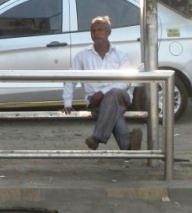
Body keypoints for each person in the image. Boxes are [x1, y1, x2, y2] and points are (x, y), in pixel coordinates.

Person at [61, 15, 142, 151]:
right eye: (93, 30)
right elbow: (70, 78)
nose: (96, 33)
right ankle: (128, 146)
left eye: (100, 30)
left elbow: (125, 81)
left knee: (113, 95)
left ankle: (97, 137)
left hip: (121, 96)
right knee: (111, 111)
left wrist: (103, 93)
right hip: (95, 101)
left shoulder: (120, 54)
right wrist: (67, 103)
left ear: (108, 32)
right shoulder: (82, 55)